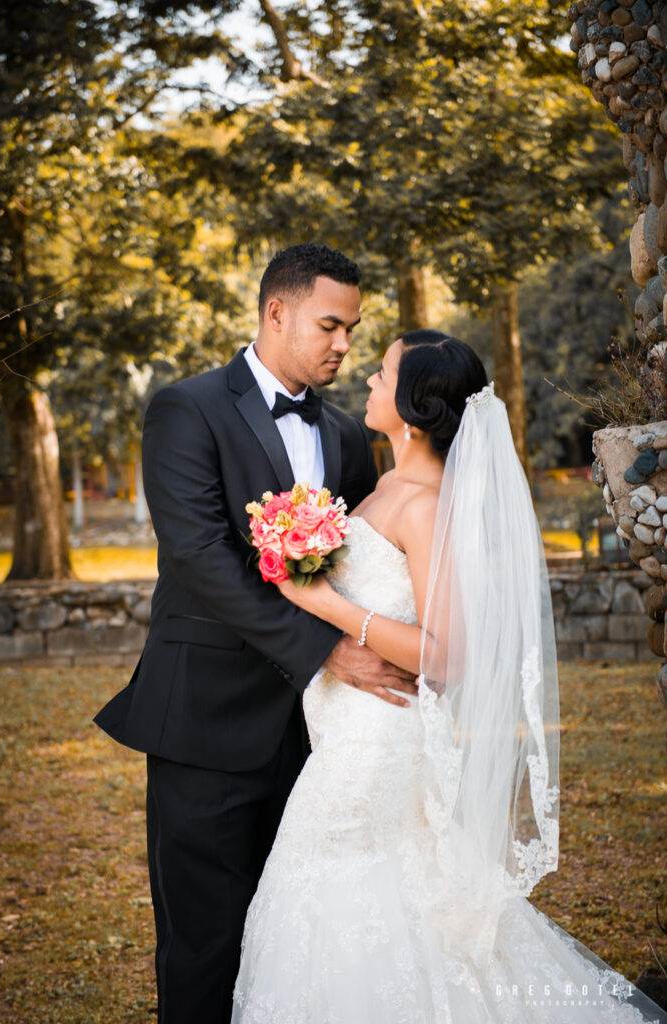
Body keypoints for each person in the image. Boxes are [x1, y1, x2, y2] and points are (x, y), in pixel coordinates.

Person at [232, 329, 667, 1024]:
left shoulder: (426, 505)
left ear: (410, 408)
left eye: (381, 375)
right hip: (343, 728)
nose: (368, 383)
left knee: (350, 894)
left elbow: (447, 651)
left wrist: (330, 608)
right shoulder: (386, 487)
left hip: (377, 742)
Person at [93, 243, 418, 1024]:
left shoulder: (346, 436)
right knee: (204, 945)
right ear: (277, 311)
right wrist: (332, 652)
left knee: (297, 944)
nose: (345, 345)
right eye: (330, 325)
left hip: (318, 741)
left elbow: (357, 566)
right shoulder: (186, 407)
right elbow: (202, 558)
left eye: (354, 329)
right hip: (204, 722)